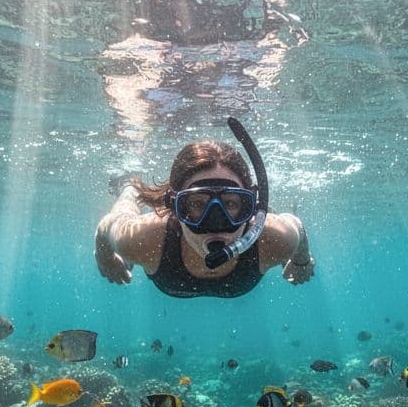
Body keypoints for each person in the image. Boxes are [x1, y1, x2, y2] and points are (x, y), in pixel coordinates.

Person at [94, 119, 314, 298]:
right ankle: (129, 188)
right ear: (174, 207)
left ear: (251, 206)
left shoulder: (276, 239)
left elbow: (297, 227)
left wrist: (301, 259)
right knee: (128, 202)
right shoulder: (143, 239)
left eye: (231, 203)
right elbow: (107, 225)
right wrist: (105, 257)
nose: (216, 224)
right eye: (198, 204)